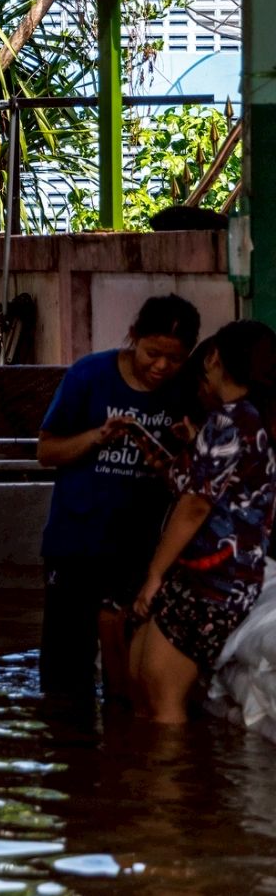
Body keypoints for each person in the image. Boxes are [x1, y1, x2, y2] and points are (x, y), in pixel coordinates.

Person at [35, 294, 202, 700]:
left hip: (141, 554)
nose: (161, 367)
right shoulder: (89, 375)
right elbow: (46, 451)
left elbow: (193, 483)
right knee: (64, 676)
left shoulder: (186, 393)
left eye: (175, 359)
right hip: (76, 544)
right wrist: (97, 436)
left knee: (127, 680)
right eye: (152, 353)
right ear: (133, 338)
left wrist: (175, 456)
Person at [131, 320, 276, 723]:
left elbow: (196, 505)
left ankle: (168, 782)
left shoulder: (233, 421)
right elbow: (198, 485)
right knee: (144, 678)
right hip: (205, 575)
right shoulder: (236, 420)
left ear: (213, 358)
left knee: (162, 692)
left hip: (215, 580)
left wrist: (155, 573)